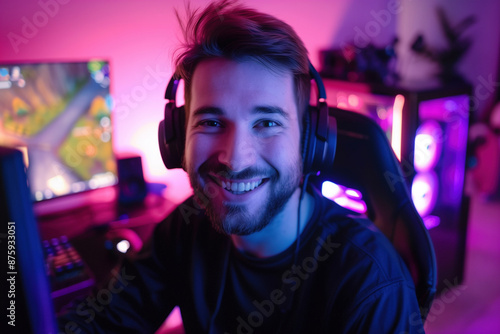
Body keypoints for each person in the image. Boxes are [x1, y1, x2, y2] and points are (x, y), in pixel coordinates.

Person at [58, 0, 425, 333]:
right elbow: (103, 321)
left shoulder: (370, 283)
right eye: (211, 122)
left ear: (309, 140)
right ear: (176, 139)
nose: (235, 159)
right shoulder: (187, 226)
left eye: (266, 123)